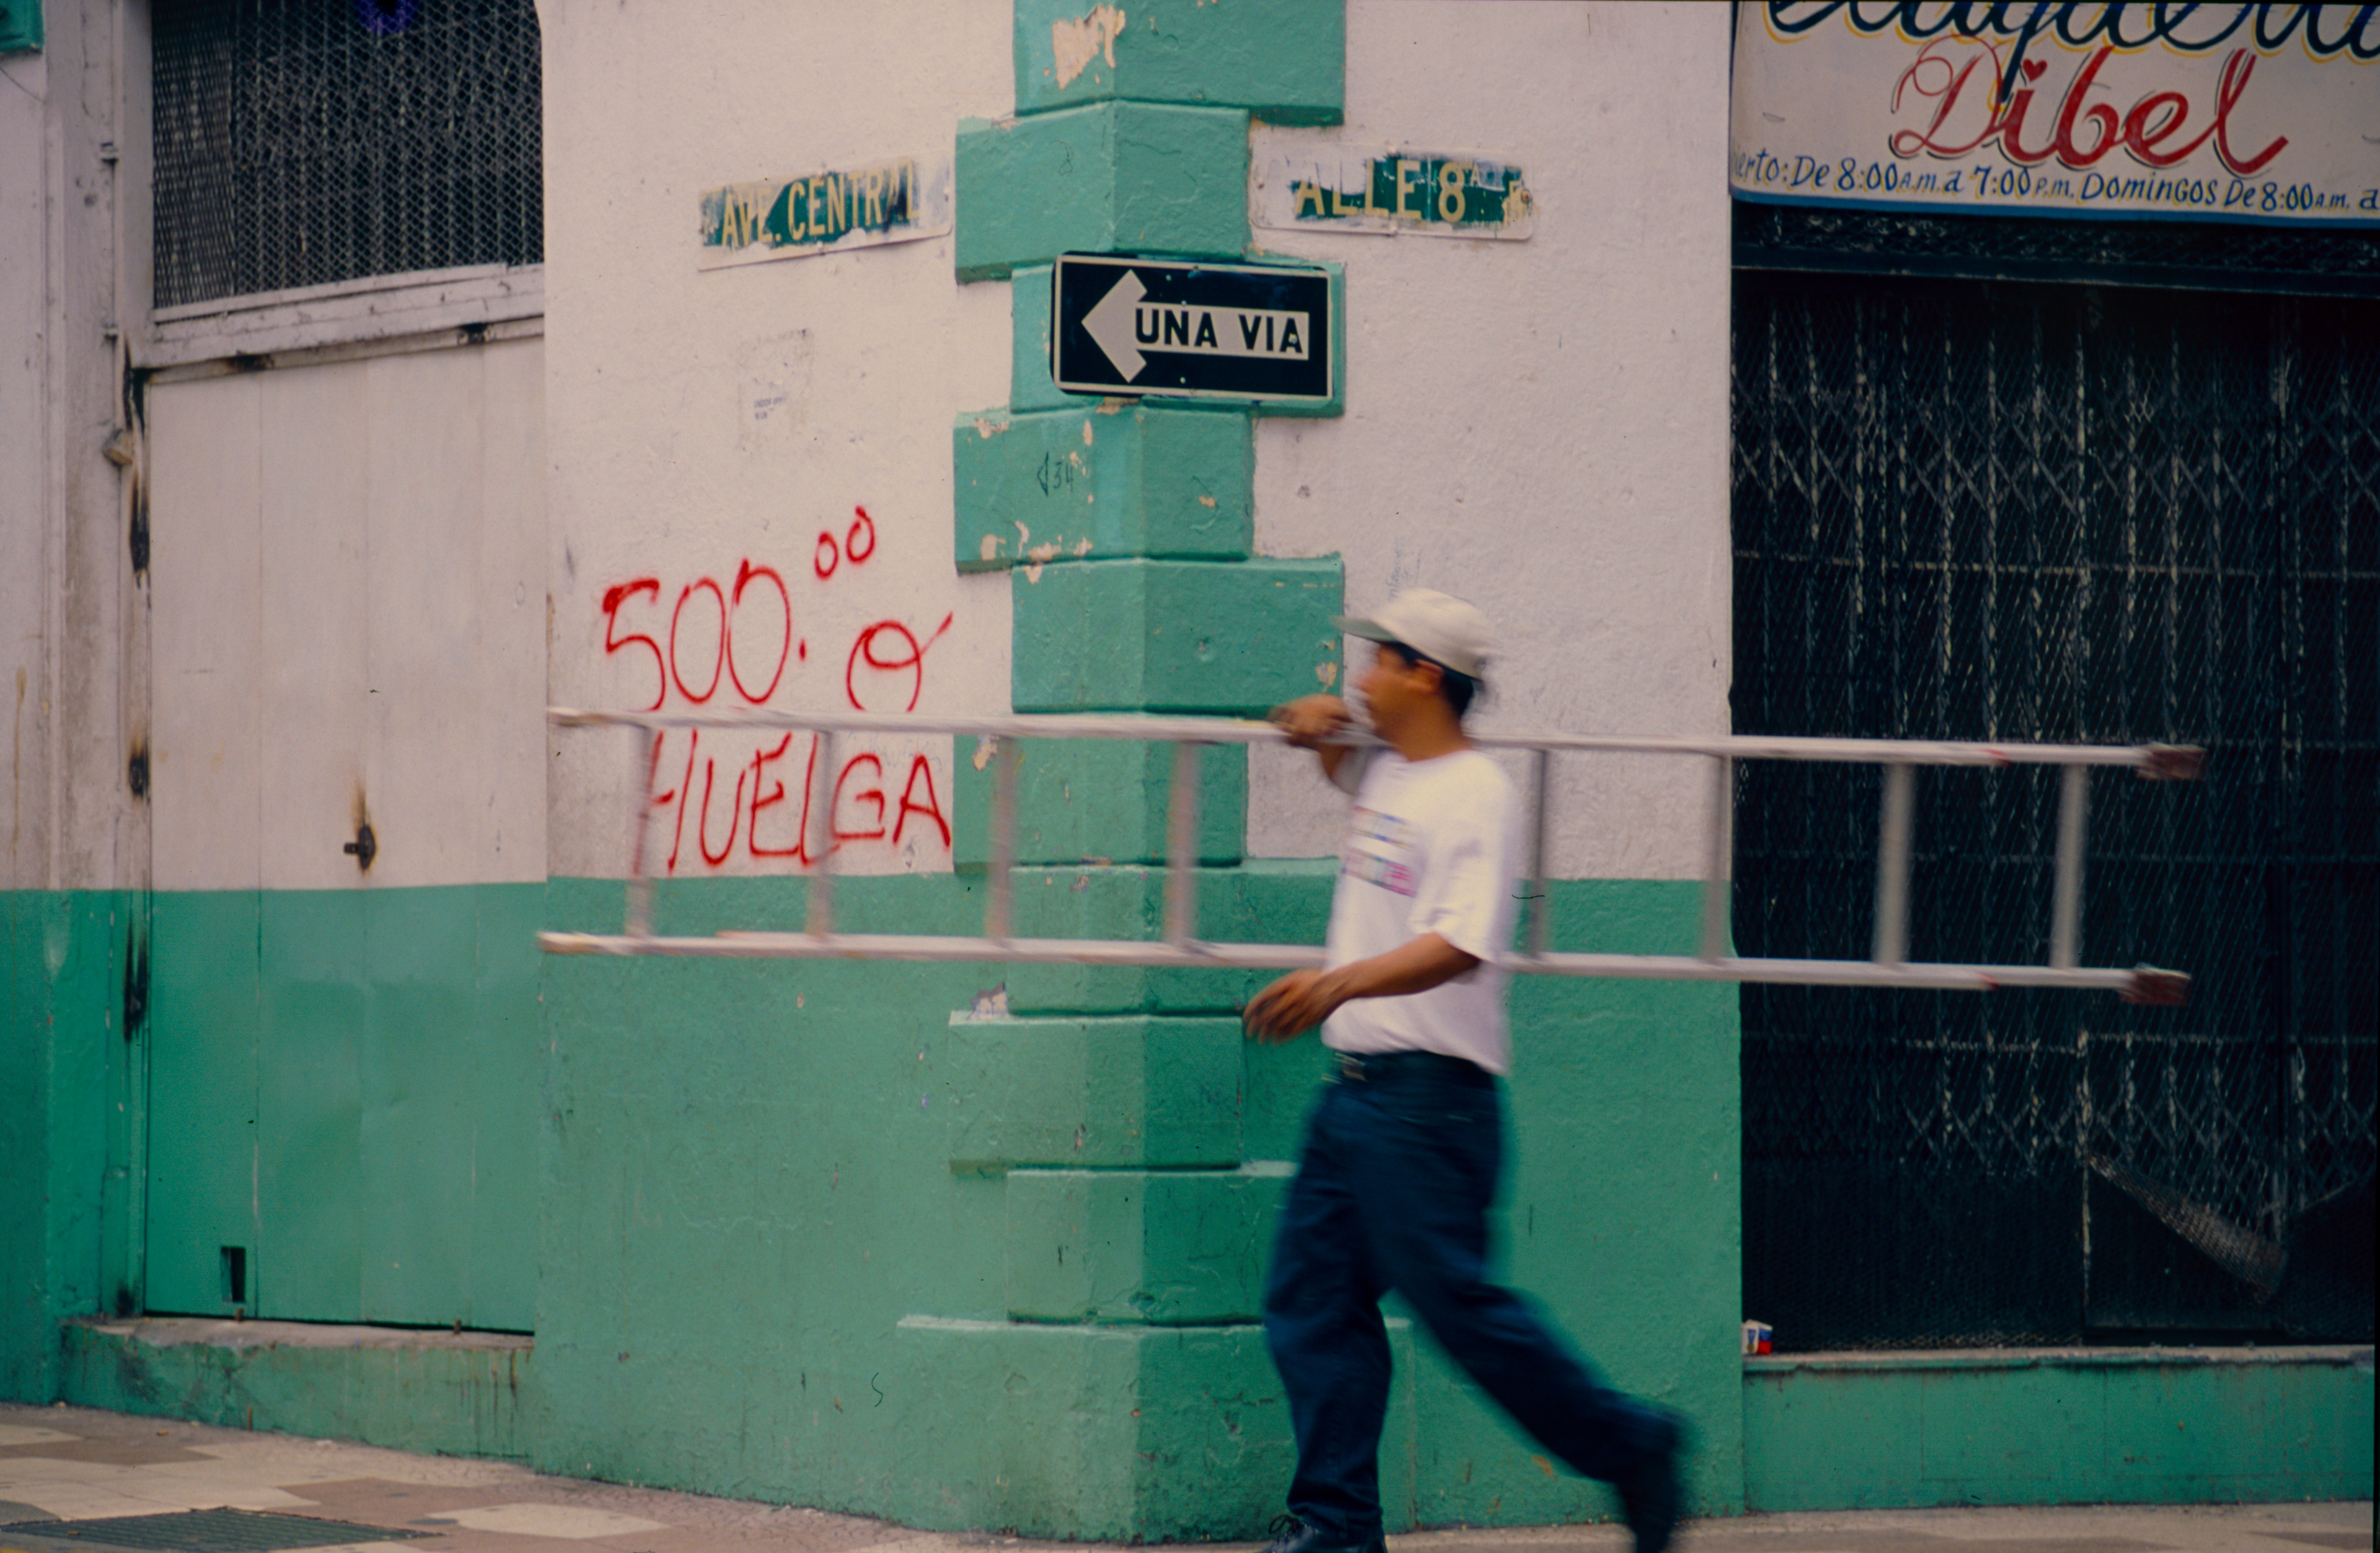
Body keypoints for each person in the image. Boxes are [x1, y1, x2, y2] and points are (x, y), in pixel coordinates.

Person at [1243, 587, 1689, 1553]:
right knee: (1312, 1297)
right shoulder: (1392, 771)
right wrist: (1315, 728)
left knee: (1467, 1317)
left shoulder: (1477, 792)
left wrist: (1335, 986)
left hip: (1427, 1103)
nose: (1360, 675)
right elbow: (1350, 788)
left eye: (1377, 661)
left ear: (1427, 676)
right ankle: (1337, 1525)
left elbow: (1462, 941)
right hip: (1353, 1098)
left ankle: (1634, 1444)